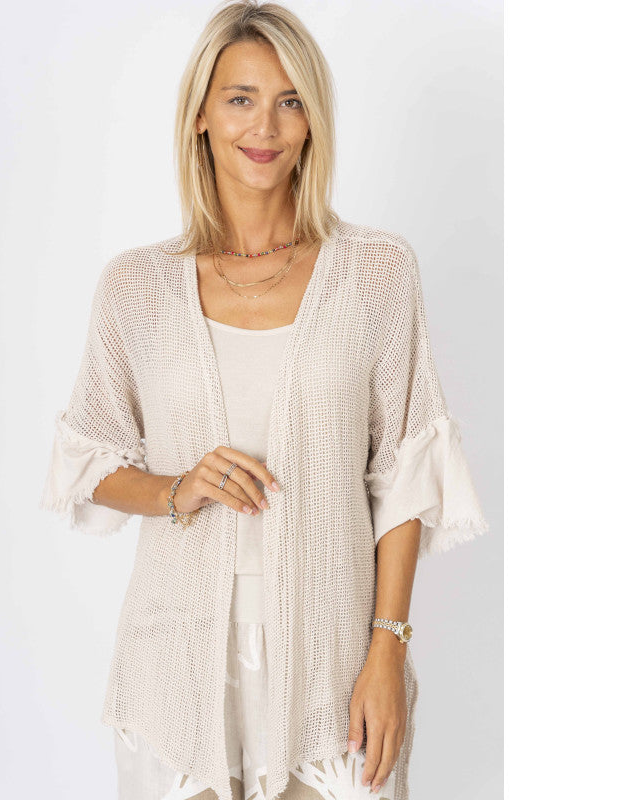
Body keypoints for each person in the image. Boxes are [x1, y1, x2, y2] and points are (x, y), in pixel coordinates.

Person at [40, 2, 489, 799]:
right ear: (201, 116)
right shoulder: (136, 287)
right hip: (176, 667)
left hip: (332, 661)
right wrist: (177, 488)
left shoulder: (377, 273)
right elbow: (90, 462)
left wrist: (387, 649)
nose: (266, 127)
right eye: (241, 98)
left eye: (290, 101)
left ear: (313, 121)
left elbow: (405, 473)